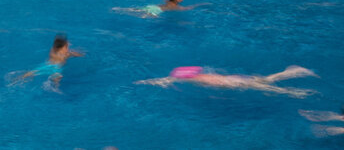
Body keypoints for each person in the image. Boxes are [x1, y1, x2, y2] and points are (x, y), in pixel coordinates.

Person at [136, 65, 318, 98]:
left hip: (233, 83)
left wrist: (144, 83)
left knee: (270, 88)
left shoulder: (189, 80)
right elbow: (164, 80)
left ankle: (295, 92)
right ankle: (291, 71)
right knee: (266, 81)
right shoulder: (199, 76)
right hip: (233, 79)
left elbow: (163, 81)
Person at [9, 34, 84, 88]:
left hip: (46, 65)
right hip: (56, 69)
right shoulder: (64, 54)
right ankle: (55, 89)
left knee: (32, 72)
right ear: (62, 48)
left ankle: (16, 79)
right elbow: (71, 54)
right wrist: (80, 54)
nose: (68, 46)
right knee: (56, 82)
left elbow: (60, 46)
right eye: (66, 46)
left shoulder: (53, 51)